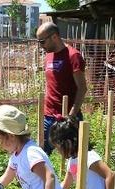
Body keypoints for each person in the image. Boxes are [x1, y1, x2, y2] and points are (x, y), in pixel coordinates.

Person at [36, 22, 87, 154]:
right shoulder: (49, 55)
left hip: (68, 116)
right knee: (41, 154)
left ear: (54, 37)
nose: (40, 46)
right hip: (48, 116)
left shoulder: (73, 55)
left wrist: (72, 115)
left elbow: (82, 87)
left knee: (75, 156)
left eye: (42, 41)